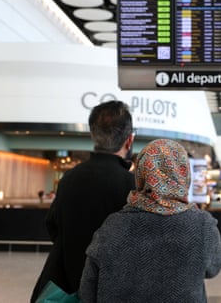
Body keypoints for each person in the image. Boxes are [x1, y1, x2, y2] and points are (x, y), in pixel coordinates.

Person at [78, 139, 221, 303]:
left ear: (142, 172)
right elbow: (214, 267)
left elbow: (87, 291)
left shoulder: (112, 226)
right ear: (183, 173)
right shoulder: (201, 225)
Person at [31, 100, 136, 302]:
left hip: (69, 286)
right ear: (129, 141)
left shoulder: (70, 178)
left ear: (93, 135)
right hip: (111, 288)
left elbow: (53, 226)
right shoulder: (130, 185)